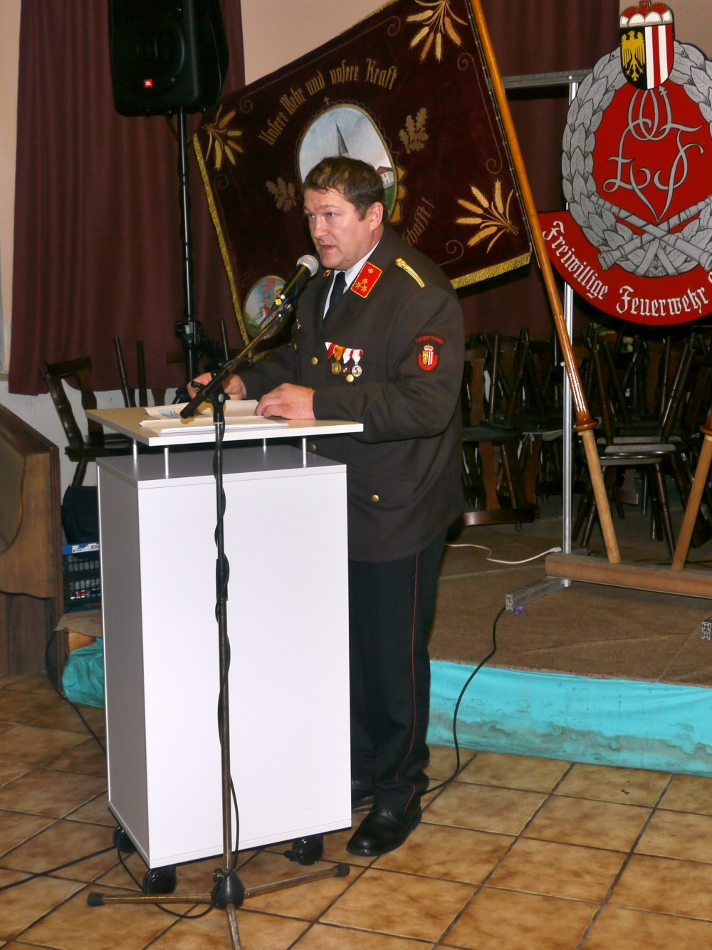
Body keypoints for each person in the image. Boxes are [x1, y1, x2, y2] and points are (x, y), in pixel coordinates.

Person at [191, 156, 464, 857]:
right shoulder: (321, 284)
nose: (319, 230)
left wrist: (320, 403)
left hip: (397, 502)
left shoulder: (419, 293)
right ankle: (357, 771)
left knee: (391, 657)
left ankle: (400, 789)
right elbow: (304, 360)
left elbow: (425, 404)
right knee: (343, 650)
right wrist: (244, 380)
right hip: (327, 498)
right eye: (312, 215)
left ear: (374, 215)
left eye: (333, 215)